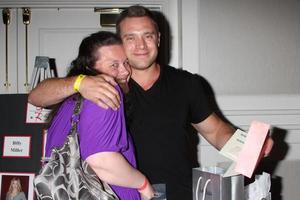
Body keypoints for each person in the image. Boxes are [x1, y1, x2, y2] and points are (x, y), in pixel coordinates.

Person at [29, 6, 273, 199]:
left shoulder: (186, 83)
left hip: (180, 192)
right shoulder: (103, 85)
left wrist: (250, 146)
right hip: (122, 194)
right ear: (119, 43)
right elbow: (37, 97)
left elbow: (216, 131)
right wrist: (79, 82)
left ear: (158, 39)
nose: (141, 46)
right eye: (131, 38)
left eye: (147, 36)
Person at [43, 31, 154, 200]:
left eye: (126, 62)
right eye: (113, 65)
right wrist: (143, 185)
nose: (125, 71)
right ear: (90, 67)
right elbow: (101, 160)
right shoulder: (106, 90)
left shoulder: (68, 101)